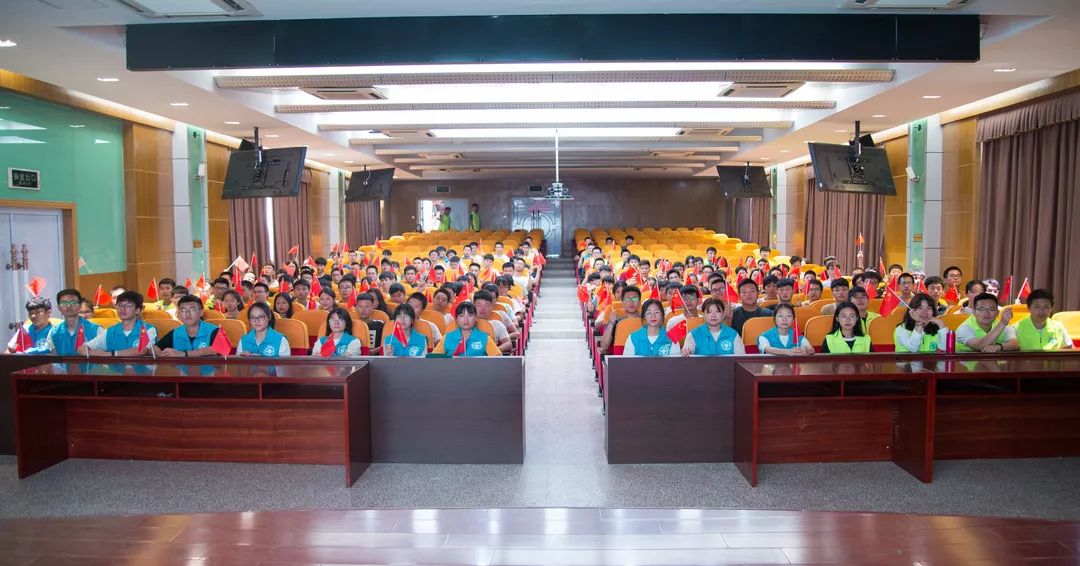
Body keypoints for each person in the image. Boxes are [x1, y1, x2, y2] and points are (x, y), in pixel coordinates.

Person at [81, 291, 157, 356]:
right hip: (115, 369)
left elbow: (141, 350)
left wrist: (109, 354)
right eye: (119, 305)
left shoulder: (148, 329)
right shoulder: (110, 331)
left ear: (137, 310)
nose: (122, 309)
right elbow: (83, 348)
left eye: (128, 306)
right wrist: (89, 352)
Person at [154, 295, 223, 357]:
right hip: (181, 367)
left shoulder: (214, 330)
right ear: (179, 314)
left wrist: (184, 354)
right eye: (183, 310)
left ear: (201, 312)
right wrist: (161, 354)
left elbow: (217, 349)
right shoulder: (176, 332)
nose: (187, 314)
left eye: (192, 310)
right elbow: (155, 348)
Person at [433, 302, 501, 356]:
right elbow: (433, 359)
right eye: (462, 316)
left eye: (470, 316)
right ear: (456, 319)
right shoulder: (447, 338)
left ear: (475, 318)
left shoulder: (485, 338)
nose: (466, 319)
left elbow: (498, 360)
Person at [45, 289, 101, 355]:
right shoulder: (54, 332)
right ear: (59, 308)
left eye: (73, 302)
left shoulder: (96, 330)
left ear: (80, 306)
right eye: (64, 303)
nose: (69, 306)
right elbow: (52, 356)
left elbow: (106, 355)